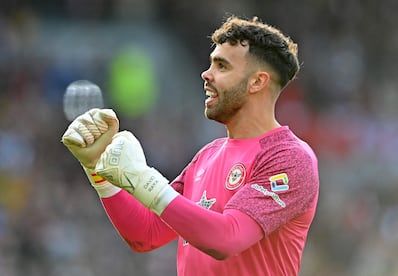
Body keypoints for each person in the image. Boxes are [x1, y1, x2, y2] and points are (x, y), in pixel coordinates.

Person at [62, 15, 319, 276]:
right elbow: (145, 234)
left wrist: (144, 179)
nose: (206, 74)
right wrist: (97, 169)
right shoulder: (207, 156)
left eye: (222, 66)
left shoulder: (289, 157)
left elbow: (227, 239)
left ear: (257, 82)